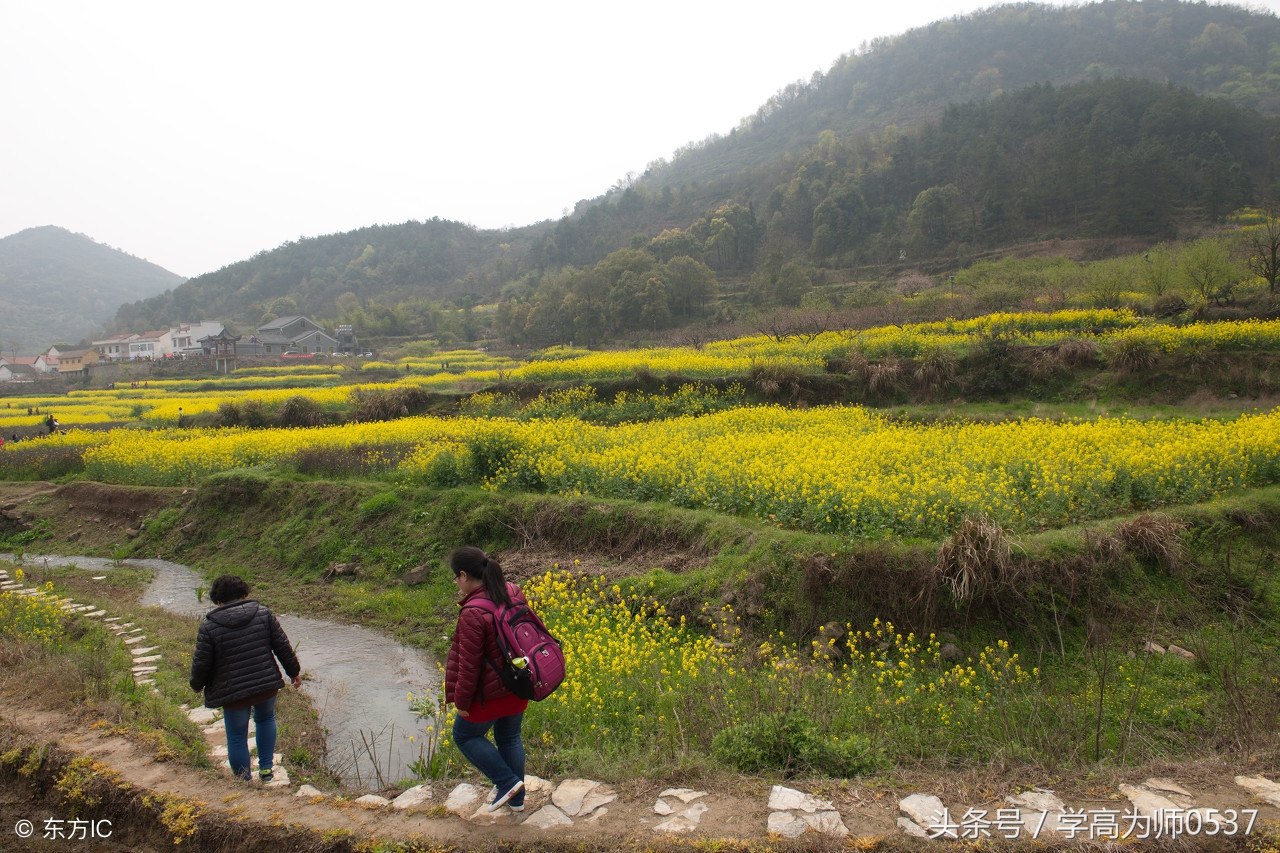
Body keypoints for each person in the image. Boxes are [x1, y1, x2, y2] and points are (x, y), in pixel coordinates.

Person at [189, 575, 301, 783]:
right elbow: (282, 647)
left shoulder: (209, 627)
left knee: (237, 735)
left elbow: (201, 663)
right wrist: (293, 672)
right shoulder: (264, 615)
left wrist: (196, 685)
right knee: (266, 719)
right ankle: (266, 769)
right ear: (243, 595)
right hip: (266, 684)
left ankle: (244, 781)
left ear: (218, 601)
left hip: (232, 693)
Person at [445, 546, 528, 812]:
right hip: (518, 683)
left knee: (464, 735)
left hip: (489, 694)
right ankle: (516, 801)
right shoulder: (512, 592)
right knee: (509, 737)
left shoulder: (473, 612)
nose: (456, 583)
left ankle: (506, 783)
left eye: (455, 578)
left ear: (463, 575)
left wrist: (461, 700)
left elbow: (470, 665)